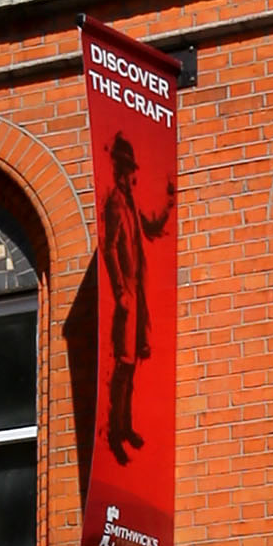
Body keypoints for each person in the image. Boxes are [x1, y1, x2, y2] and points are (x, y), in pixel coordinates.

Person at [99, 130, 176, 463]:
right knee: (123, 366)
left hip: (139, 294)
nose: (133, 176)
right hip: (127, 296)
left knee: (133, 368)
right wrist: (119, 291)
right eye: (130, 170)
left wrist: (170, 204)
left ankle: (126, 426)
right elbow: (110, 247)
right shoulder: (115, 202)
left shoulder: (130, 202)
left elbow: (151, 227)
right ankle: (115, 433)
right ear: (121, 170)